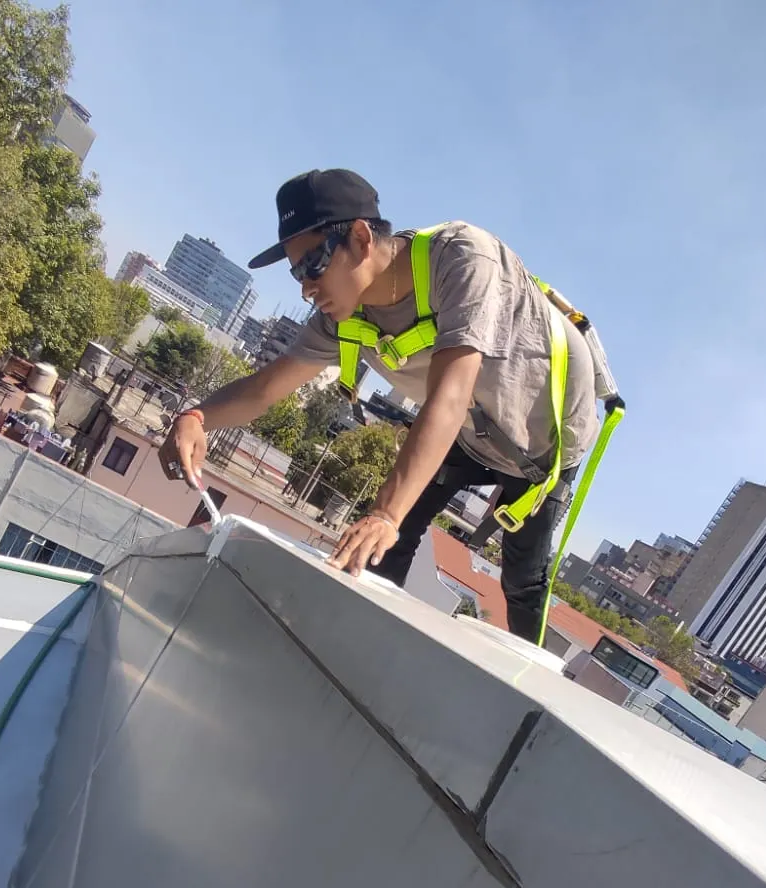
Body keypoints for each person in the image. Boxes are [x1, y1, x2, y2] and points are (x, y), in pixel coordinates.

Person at [159, 168, 598, 642]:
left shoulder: (463, 259)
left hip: (543, 445)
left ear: (362, 237)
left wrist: (385, 513)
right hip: (470, 433)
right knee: (387, 543)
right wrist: (196, 416)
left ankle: (529, 701)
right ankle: (353, 644)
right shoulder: (342, 319)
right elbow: (266, 387)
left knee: (521, 580)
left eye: (312, 266)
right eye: (295, 272)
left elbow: (450, 392)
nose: (305, 287)